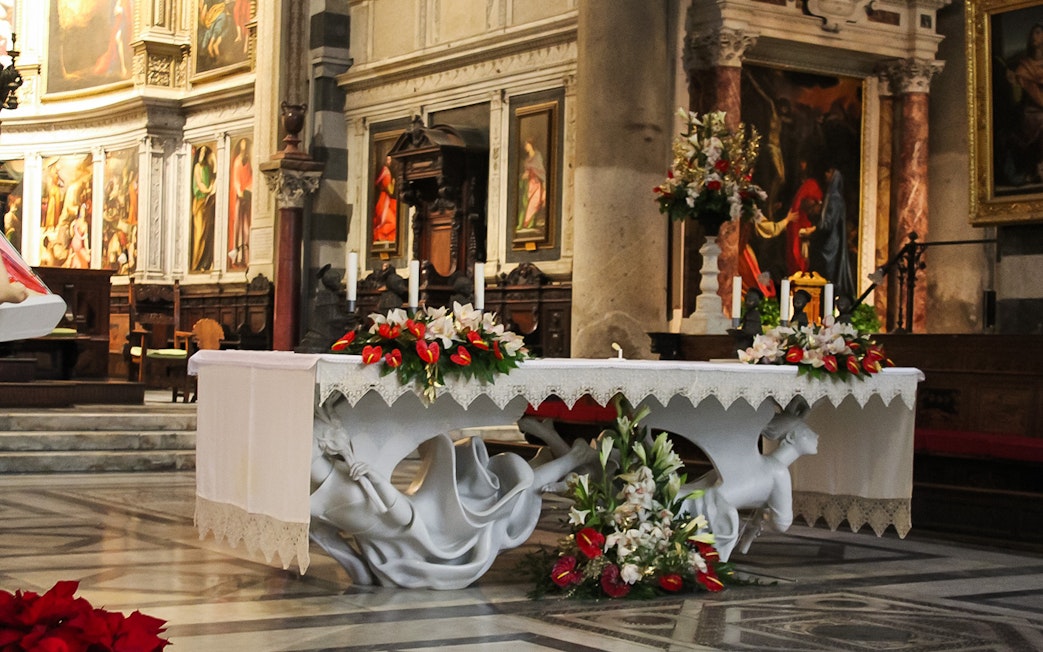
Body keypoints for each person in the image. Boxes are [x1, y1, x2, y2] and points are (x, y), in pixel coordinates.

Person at [810, 165, 854, 297]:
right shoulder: (831, 196)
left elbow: (828, 224)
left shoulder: (834, 198)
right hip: (829, 241)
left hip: (831, 244)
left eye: (829, 172)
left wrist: (813, 230)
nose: (826, 174)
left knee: (829, 276)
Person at [1013, 23, 1043, 184]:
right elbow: (1033, 93)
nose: (1034, 37)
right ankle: (1038, 167)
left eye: (1038, 33)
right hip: (1031, 110)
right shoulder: (1025, 66)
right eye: (1032, 33)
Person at [191, 145, 217, 272]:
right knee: (200, 233)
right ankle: (195, 263)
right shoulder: (197, 167)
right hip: (200, 202)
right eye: (200, 153)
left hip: (207, 203)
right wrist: (208, 190)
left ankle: (204, 263)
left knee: (207, 232)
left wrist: (212, 186)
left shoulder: (207, 167)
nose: (202, 155)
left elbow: (212, 179)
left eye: (204, 153)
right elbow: (199, 183)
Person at [228, 138, 252, 268]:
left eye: (245, 143)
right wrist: (239, 190)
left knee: (246, 227)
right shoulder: (237, 160)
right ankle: (237, 257)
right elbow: (236, 178)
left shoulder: (248, 160)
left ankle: (246, 257)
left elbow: (251, 176)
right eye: (241, 142)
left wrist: (248, 187)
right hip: (239, 197)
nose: (243, 145)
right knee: (238, 226)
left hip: (247, 196)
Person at [517, 139, 546, 230]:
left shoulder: (537, 156)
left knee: (535, 203)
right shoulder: (526, 159)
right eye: (525, 145)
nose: (526, 147)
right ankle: (525, 223)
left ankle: (530, 223)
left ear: (531, 145)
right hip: (528, 184)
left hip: (536, 183)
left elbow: (540, 170)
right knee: (526, 203)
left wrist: (532, 172)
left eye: (527, 145)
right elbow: (526, 171)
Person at [372, 156, 397, 244]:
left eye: (390, 159)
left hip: (384, 199)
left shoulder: (383, 170)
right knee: (393, 222)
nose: (389, 161)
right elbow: (390, 191)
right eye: (387, 159)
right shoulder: (387, 173)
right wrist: (393, 183)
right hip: (384, 200)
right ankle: (378, 233)